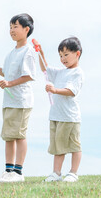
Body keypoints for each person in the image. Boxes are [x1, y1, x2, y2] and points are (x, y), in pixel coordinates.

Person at [0, 13, 36, 182]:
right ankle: (8, 170)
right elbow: (6, 72)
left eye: (16, 27)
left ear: (26, 30)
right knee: (8, 136)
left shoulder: (28, 51)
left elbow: (29, 76)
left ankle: (18, 172)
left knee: (19, 135)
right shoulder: (11, 53)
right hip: (9, 101)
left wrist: (10, 84)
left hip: (21, 101)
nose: (12, 30)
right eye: (10, 27)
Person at [36, 37, 84, 183]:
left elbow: (71, 91)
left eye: (66, 54)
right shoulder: (60, 72)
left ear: (77, 54)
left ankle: (73, 173)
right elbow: (45, 68)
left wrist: (55, 90)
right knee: (58, 147)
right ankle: (56, 173)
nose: (63, 58)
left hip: (69, 117)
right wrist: (40, 53)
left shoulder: (77, 73)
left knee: (74, 146)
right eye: (61, 55)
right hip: (56, 116)